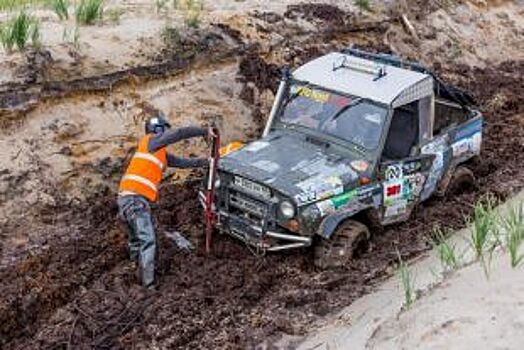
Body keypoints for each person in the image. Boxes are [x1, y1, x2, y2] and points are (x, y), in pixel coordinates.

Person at [117, 114, 211, 288]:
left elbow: (183, 163)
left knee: (136, 241)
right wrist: (204, 131)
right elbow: (180, 133)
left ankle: (135, 272)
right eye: (164, 130)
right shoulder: (150, 142)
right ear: (157, 130)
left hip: (126, 198)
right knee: (147, 240)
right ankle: (148, 285)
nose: (167, 134)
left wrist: (208, 162)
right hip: (134, 199)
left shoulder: (159, 153)